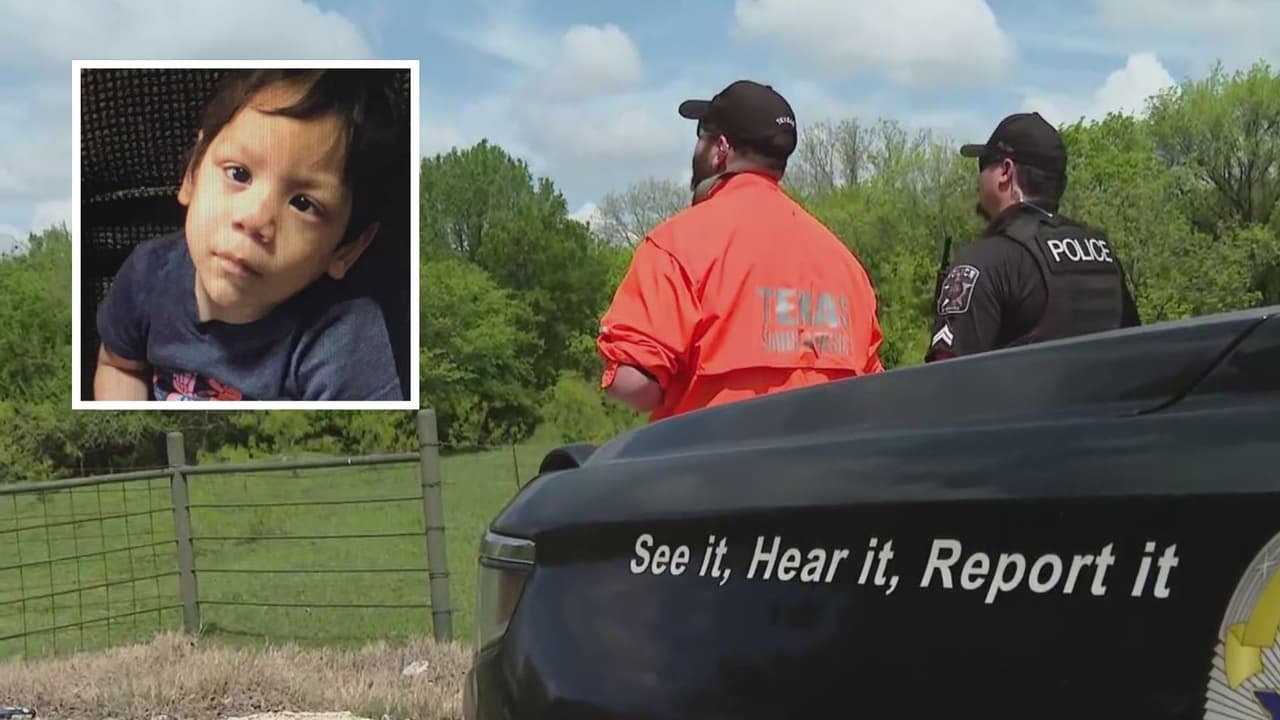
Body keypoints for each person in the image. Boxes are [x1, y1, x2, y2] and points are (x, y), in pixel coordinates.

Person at [93, 69, 405, 401]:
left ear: (346, 251)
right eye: (238, 173)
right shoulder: (147, 276)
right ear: (192, 174)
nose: (255, 219)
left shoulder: (341, 340)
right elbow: (119, 366)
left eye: (303, 204)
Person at [596, 80, 885, 423]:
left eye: (702, 135)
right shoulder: (845, 265)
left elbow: (636, 384)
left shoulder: (676, 246)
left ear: (720, 149)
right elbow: (872, 391)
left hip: (712, 471)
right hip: (829, 472)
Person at [925, 111, 1140, 362]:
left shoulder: (983, 263)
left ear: (1006, 171)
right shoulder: (1103, 254)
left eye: (983, 166)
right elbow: (1134, 354)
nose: (978, 179)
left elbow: (946, 383)